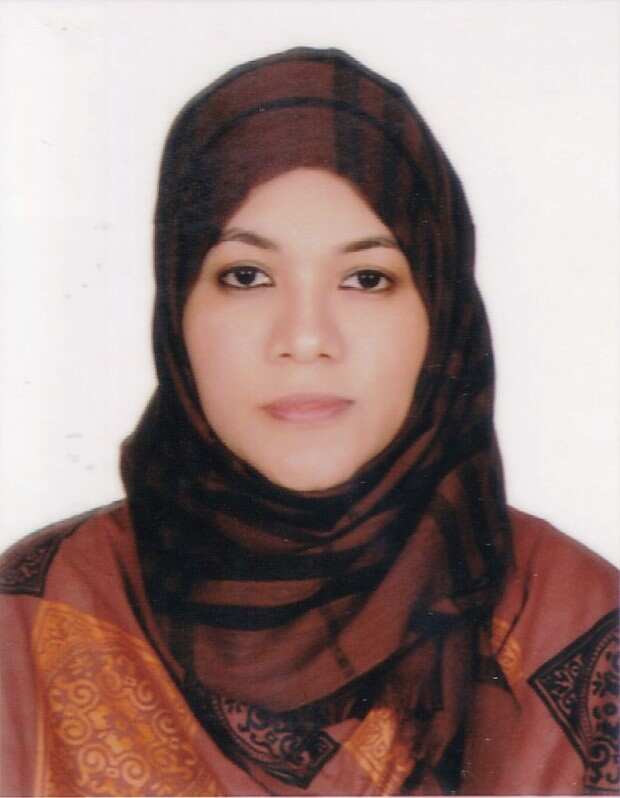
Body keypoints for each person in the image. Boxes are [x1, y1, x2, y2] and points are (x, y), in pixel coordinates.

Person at [0, 47, 616, 796]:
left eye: (367, 278)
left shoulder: (574, 617)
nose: (305, 336)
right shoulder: (32, 621)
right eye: (246, 276)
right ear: (177, 308)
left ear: (441, 315)